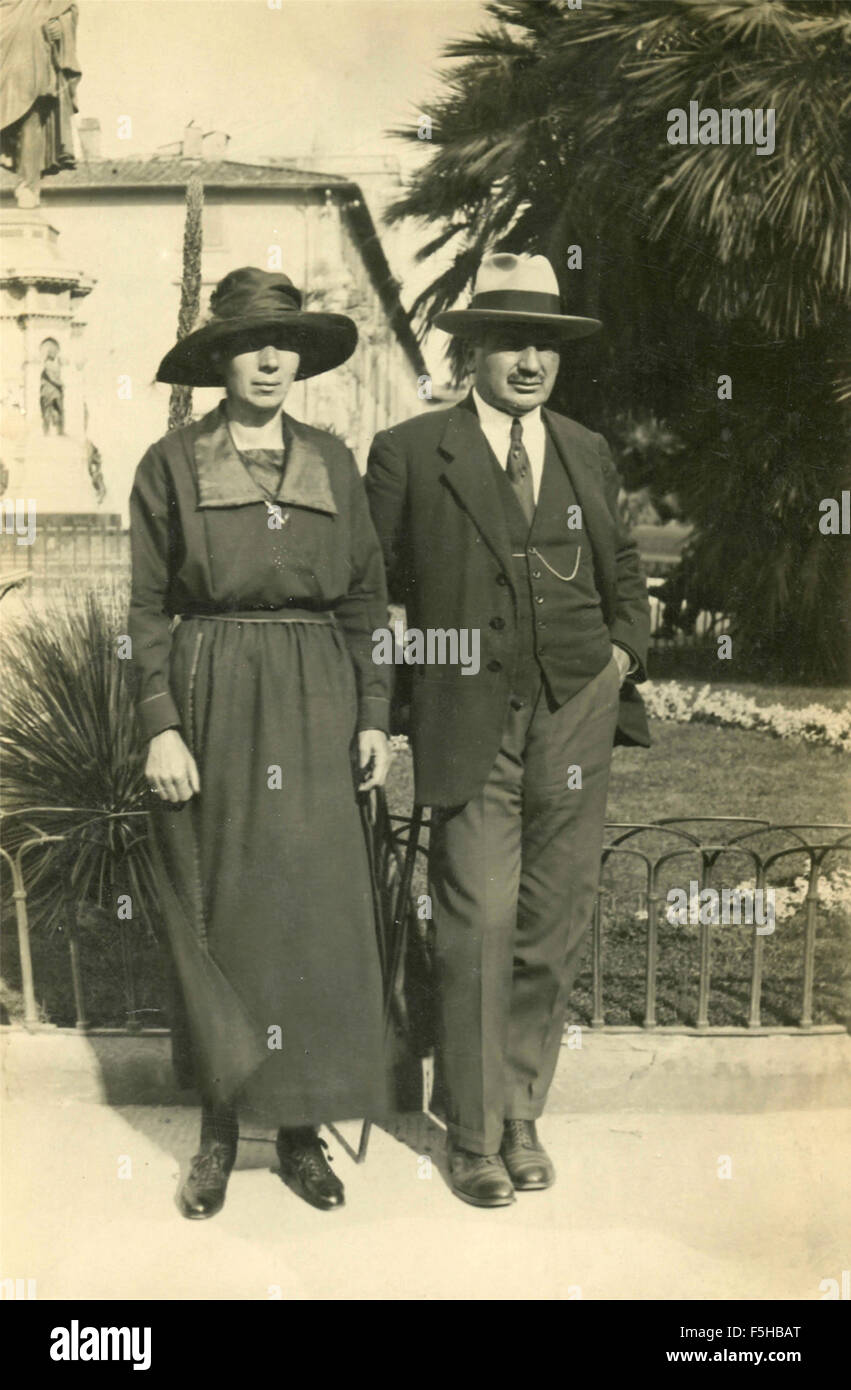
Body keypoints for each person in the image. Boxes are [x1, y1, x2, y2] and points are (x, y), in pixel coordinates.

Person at [365, 253, 651, 1208]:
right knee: (478, 917)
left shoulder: (583, 447)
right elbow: (378, 595)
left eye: (546, 344)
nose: (530, 360)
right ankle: (473, 1133)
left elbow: (622, 571)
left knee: (550, 917)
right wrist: (390, 696)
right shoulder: (410, 453)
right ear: (473, 350)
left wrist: (619, 659)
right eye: (510, 341)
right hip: (466, 713)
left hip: (574, 708)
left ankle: (523, 1111)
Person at [128, 266, 391, 1219]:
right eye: (249, 344)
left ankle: (300, 1134)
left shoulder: (331, 458)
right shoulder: (171, 463)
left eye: (284, 343)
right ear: (219, 360)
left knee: (312, 910)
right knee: (225, 907)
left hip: (318, 692)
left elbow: (365, 599)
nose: (269, 359)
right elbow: (146, 606)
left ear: (302, 357)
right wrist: (161, 724)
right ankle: (218, 1129)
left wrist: (372, 713)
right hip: (212, 691)